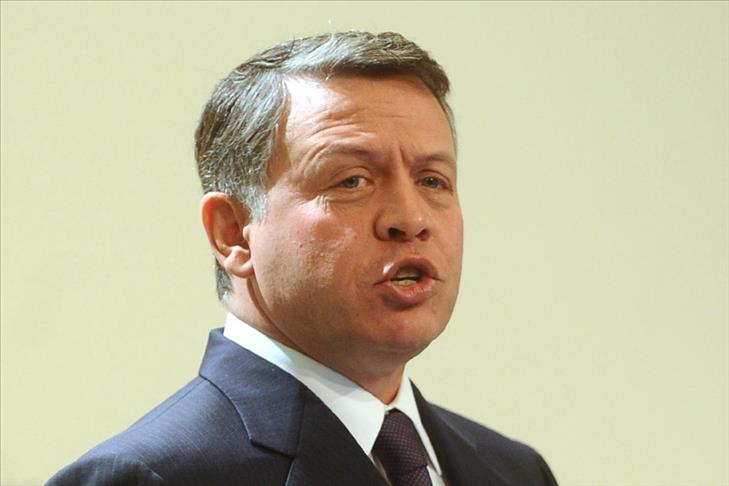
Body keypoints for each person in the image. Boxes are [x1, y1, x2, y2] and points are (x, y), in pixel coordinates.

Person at [48, 31, 558, 486]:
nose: (410, 218)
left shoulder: (516, 471)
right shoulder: (149, 477)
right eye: (351, 181)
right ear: (233, 233)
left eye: (432, 180)